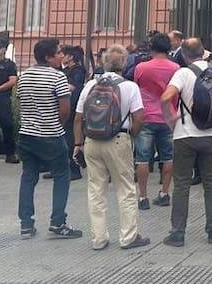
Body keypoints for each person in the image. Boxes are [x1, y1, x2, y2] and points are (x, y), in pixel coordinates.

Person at [74, 45, 149, 250]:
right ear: (124, 64)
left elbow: (78, 117)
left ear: (103, 63)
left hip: (91, 141)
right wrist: (131, 134)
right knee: (125, 189)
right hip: (118, 139)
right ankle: (128, 236)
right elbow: (139, 117)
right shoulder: (129, 87)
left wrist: (78, 143)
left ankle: (99, 238)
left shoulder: (90, 85)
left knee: (96, 190)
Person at [160, 38, 212, 247]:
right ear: (203, 51)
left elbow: (166, 97)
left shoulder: (183, 73)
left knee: (181, 184)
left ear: (184, 55)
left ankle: (178, 233)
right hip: (210, 134)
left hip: (185, 135)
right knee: (211, 182)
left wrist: (170, 118)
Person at [14, 38, 83, 238]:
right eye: (58, 52)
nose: (62, 56)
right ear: (48, 56)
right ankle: (58, 222)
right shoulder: (58, 77)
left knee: (29, 176)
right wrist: (56, 124)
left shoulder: (24, 76)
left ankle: (26, 224)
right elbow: (65, 109)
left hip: (27, 134)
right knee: (62, 176)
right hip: (51, 134)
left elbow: (21, 103)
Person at [132, 32, 180, 210]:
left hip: (146, 115)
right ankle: (164, 193)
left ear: (152, 47)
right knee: (168, 157)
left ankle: (143, 196)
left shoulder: (141, 67)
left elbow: (137, 89)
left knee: (142, 158)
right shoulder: (176, 68)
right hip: (168, 117)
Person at [59, 46, 87, 180]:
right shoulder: (65, 70)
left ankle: (75, 169)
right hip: (65, 105)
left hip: (74, 106)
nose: (61, 56)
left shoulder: (78, 70)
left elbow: (73, 86)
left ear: (70, 57)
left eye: (63, 54)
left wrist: (58, 86)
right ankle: (63, 168)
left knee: (71, 139)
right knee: (63, 137)